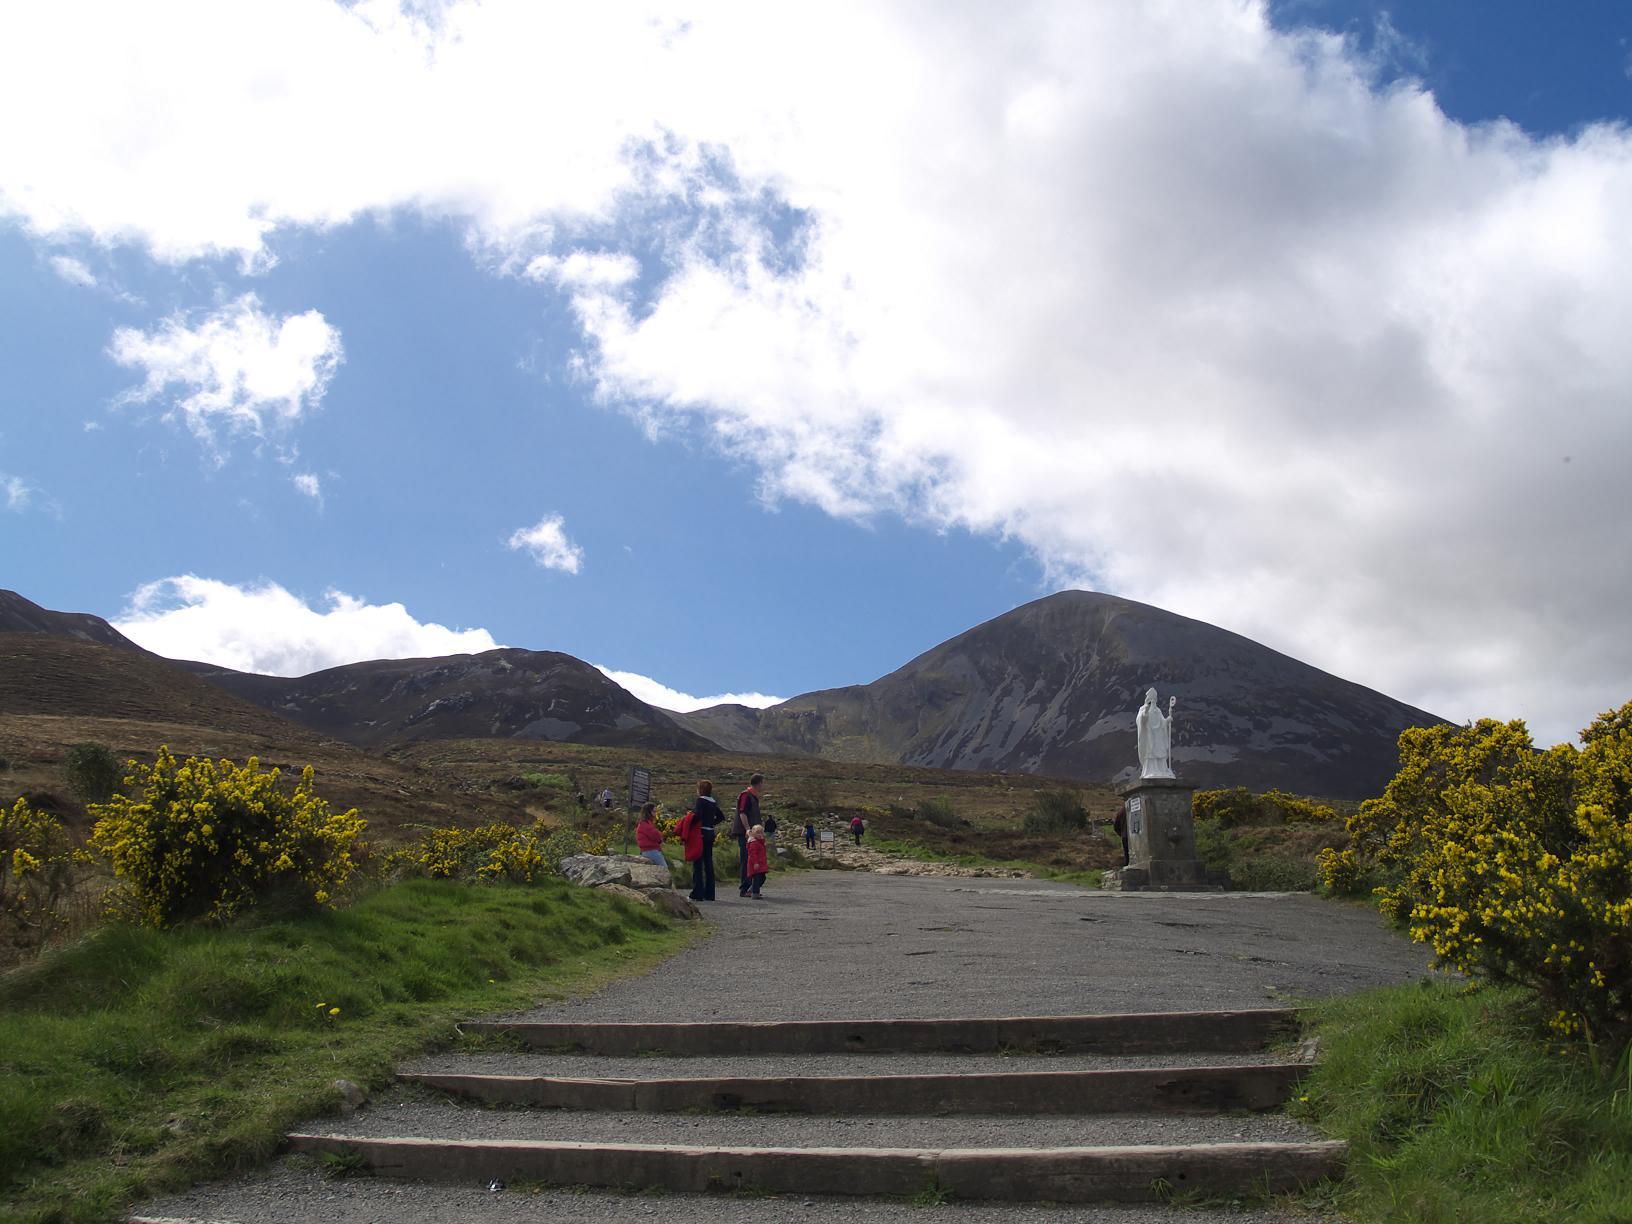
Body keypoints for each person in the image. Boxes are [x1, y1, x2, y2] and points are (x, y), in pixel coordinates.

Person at [689, 779, 723, 902]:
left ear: (700, 790)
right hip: (710, 832)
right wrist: (711, 823)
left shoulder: (701, 801)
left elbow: (697, 815)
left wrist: (691, 822)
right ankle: (710, 893)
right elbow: (721, 816)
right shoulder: (712, 802)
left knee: (698, 863)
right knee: (708, 863)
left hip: (701, 833)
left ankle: (697, 893)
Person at [735, 773, 764, 897]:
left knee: (752, 859)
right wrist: (747, 829)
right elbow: (742, 813)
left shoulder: (753, 796)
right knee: (747, 859)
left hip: (753, 833)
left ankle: (751, 887)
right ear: (759, 783)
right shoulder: (746, 795)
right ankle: (745, 888)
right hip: (746, 834)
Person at [634, 803, 666, 869]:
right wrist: (660, 837)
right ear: (648, 812)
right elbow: (655, 835)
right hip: (651, 851)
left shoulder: (645, 822)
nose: (655, 813)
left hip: (648, 850)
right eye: (654, 811)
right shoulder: (645, 823)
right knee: (664, 869)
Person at [745, 824, 770, 898]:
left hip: (761, 864)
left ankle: (751, 890)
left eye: (761, 832)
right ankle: (755, 893)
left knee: (762, 878)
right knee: (757, 878)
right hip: (756, 864)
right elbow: (753, 854)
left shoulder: (759, 842)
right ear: (753, 834)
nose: (760, 834)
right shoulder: (754, 843)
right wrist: (755, 863)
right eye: (758, 833)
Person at [1112, 801, 1130, 866]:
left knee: (1127, 855)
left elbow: (1116, 827)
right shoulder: (1136, 807)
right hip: (1135, 835)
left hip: (1125, 836)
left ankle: (1127, 868)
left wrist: (1121, 834)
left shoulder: (1121, 812)